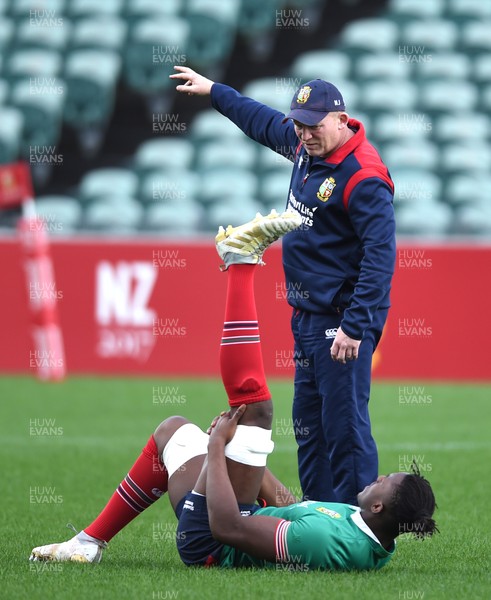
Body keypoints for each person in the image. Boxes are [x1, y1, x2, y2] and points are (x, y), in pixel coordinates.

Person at [30, 212, 437, 571]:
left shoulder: (332, 541)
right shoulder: (360, 523)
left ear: (380, 505)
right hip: (236, 516)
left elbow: (228, 528)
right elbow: (289, 505)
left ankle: (241, 262)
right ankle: (88, 543)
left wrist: (217, 451)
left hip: (208, 542)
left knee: (256, 410)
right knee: (172, 430)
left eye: (385, 480)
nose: (378, 476)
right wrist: (234, 453)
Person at [169, 66, 397, 504]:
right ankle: (319, 517)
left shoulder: (364, 176)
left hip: (341, 321)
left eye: (312, 125)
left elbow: (380, 258)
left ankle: (358, 528)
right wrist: (216, 90)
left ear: (340, 118)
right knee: (309, 426)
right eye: (299, 123)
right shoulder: (305, 145)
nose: (304, 133)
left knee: (345, 428)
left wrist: (355, 325)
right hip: (307, 317)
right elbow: (259, 119)